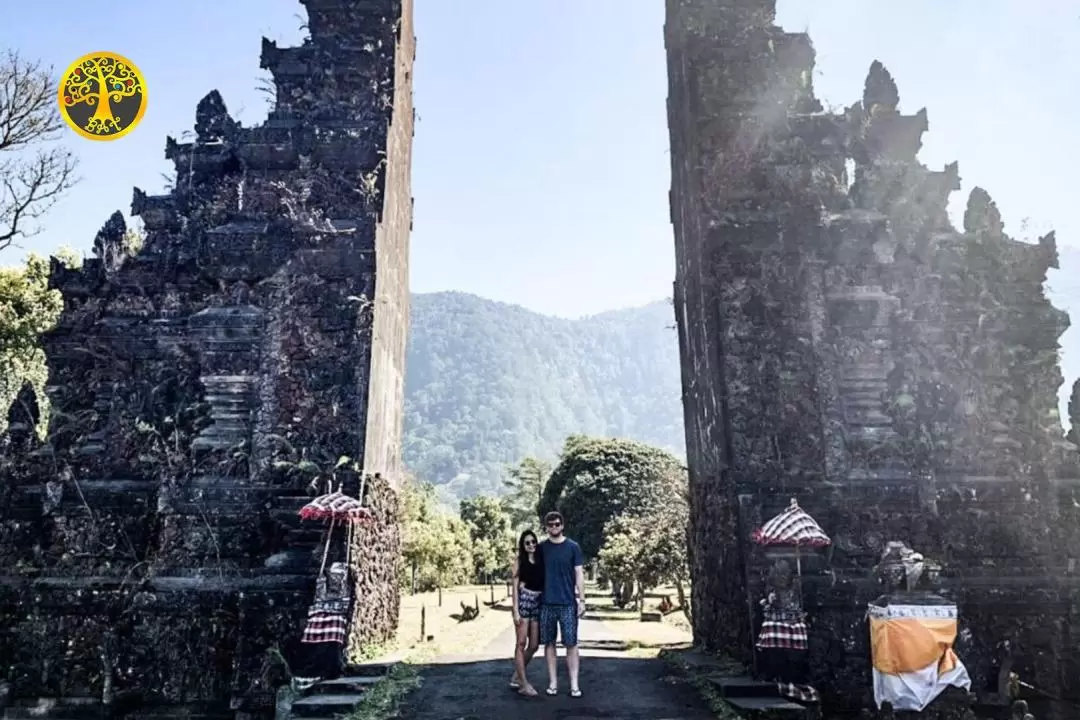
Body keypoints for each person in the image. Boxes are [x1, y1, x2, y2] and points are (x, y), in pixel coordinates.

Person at [538, 511, 586, 698]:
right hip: (546, 603)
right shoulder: (542, 548)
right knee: (549, 643)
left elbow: (579, 574)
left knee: (571, 643)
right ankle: (553, 682)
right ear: (546, 527)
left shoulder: (573, 547)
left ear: (562, 525)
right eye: (550, 525)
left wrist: (581, 600)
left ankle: (574, 684)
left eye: (557, 524)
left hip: (567, 603)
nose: (554, 528)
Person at [509, 529, 544, 696]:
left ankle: (517, 675)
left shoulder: (540, 559)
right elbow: (515, 588)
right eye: (527, 543)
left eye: (533, 542)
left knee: (535, 645)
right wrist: (515, 610)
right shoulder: (519, 562)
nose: (531, 545)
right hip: (523, 603)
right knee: (521, 643)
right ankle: (523, 684)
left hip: (537, 603)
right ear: (523, 546)